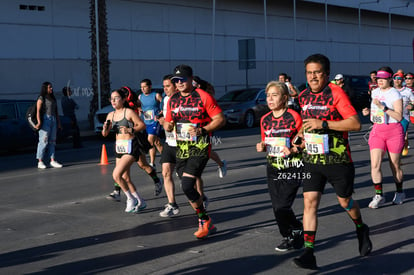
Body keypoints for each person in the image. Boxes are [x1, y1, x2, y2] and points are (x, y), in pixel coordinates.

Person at [294, 54, 372, 270]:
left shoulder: (336, 94)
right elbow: (306, 124)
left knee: (345, 202)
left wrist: (324, 123)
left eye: (317, 72)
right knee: (309, 202)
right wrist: (299, 139)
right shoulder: (303, 96)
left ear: (326, 74)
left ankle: (360, 227)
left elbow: (355, 124)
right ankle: (309, 252)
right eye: (309, 73)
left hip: (338, 159)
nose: (313, 77)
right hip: (312, 159)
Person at [164, 64, 225, 238]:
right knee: (188, 188)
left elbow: (220, 119)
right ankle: (205, 220)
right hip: (181, 148)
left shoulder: (203, 96)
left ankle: (204, 220)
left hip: (200, 146)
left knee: (186, 184)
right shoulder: (173, 100)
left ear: (191, 79)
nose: (180, 83)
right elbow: (169, 122)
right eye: (176, 80)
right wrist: (167, 125)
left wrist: (203, 130)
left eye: (183, 79)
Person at [256, 81, 304, 252]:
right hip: (273, 166)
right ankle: (289, 235)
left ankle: (297, 228)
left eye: (274, 95)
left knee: (283, 205)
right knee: (277, 207)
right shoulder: (265, 119)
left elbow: (303, 139)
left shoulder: (293, 116)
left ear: (284, 98)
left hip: (292, 165)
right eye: (268, 96)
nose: (270, 99)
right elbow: (266, 141)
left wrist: (293, 149)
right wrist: (261, 146)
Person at [106, 86, 163, 202]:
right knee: (121, 172)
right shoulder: (114, 112)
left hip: (134, 140)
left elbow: (140, 119)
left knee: (143, 165)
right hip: (121, 142)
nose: (114, 100)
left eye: (118, 97)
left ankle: (156, 180)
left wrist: (132, 127)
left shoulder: (132, 106)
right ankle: (119, 192)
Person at [362, 67, 405, 208]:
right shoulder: (374, 92)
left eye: (383, 78)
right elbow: (375, 114)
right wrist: (367, 112)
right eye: (378, 78)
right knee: (375, 164)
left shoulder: (395, 94)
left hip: (393, 131)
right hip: (377, 131)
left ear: (390, 79)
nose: (379, 80)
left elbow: (398, 116)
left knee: (394, 165)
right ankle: (379, 195)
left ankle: (399, 192)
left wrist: (384, 108)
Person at [102, 88, 147, 213]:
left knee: (116, 175)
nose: (113, 101)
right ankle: (140, 201)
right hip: (119, 147)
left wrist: (131, 130)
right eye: (111, 99)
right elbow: (104, 134)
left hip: (130, 146)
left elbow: (142, 125)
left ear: (123, 99)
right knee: (125, 177)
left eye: (116, 98)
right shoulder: (110, 115)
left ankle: (130, 199)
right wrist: (105, 128)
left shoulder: (129, 112)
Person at [192, 76, 227, 178]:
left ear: (198, 85)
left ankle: (221, 164)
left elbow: (217, 118)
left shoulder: (206, 96)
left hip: (206, 128)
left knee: (206, 152)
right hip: (191, 129)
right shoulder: (188, 96)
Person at [35, 82, 63, 169]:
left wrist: (59, 123)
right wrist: (39, 122)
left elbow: (56, 111)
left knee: (52, 141)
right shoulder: (41, 98)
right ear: (45, 88)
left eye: (51, 87)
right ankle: (40, 161)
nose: (51, 89)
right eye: (49, 87)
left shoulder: (52, 98)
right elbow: (38, 111)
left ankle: (52, 160)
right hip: (45, 120)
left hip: (53, 119)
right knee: (43, 141)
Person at [139, 79, 163, 169]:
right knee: (157, 143)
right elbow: (138, 105)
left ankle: (152, 163)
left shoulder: (156, 95)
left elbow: (165, 104)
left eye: (145, 87)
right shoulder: (140, 97)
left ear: (150, 86)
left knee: (150, 140)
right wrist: (140, 110)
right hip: (146, 122)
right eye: (141, 87)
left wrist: (160, 114)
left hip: (155, 122)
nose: (143, 89)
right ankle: (167, 159)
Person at [392, 72, 414, 156]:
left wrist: (411, 105)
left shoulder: (408, 91)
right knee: (394, 137)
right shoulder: (390, 90)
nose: (397, 81)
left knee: (401, 136)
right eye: (395, 78)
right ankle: (397, 153)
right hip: (392, 117)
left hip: (404, 117)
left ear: (402, 80)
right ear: (393, 80)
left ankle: (399, 153)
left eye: (399, 79)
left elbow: (413, 101)